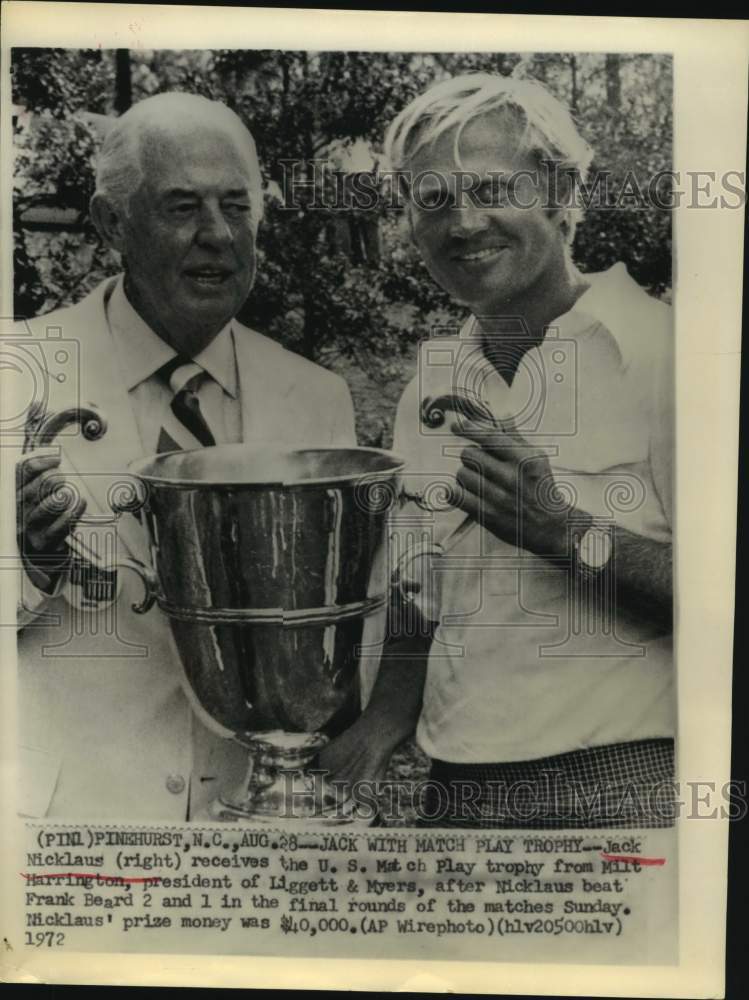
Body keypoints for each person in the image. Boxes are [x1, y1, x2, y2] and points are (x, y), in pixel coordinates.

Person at [318, 74, 674, 828]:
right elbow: (422, 593)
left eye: (489, 188)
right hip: (458, 787)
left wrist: (561, 532)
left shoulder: (669, 356)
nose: (463, 222)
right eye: (433, 199)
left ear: (559, 190)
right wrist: (378, 725)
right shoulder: (433, 384)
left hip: (625, 779)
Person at [15, 92, 356, 821]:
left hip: (253, 828)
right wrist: (30, 562)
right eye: (181, 207)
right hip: (68, 826)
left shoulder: (315, 399)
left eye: (237, 206)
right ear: (113, 223)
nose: (216, 235)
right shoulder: (19, 372)